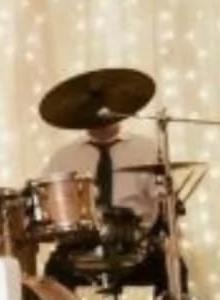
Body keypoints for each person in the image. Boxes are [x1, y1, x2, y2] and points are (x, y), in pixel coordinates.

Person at [41, 120, 169, 291]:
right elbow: (48, 203)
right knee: (52, 278)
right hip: (81, 248)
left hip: (135, 246)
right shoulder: (63, 157)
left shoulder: (147, 149)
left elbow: (164, 200)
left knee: (172, 270)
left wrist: (170, 238)